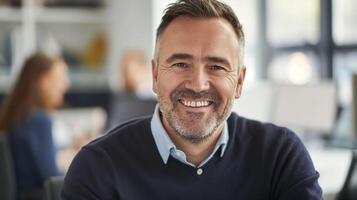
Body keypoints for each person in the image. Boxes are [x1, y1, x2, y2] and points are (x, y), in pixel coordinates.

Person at [61, 0, 323, 199]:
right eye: (180, 64)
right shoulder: (97, 168)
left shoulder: (280, 157)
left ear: (240, 82)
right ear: (154, 75)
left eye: (217, 67)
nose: (198, 84)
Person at [0, 52, 70, 199]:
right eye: (58, 79)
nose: (65, 85)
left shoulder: (15, 115)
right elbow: (53, 180)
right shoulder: (39, 121)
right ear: (43, 81)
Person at [107, 50, 156, 129]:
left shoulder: (152, 105)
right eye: (123, 70)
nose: (125, 76)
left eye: (129, 71)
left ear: (143, 71)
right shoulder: (115, 99)